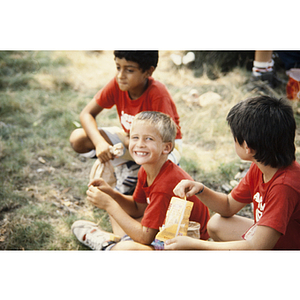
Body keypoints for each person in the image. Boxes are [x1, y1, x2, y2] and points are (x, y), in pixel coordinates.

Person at [165, 95, 300, 250]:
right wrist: (200, 189)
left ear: (248, 147)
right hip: (273, 238)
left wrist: (198, 246)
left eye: (235, 138)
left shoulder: (284, 186)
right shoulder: (262, 165)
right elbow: (228, 206)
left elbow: (257, 247)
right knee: (217, 224)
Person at [71, 111, 210, 250]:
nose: (140, 144)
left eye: (148, 139)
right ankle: (121, 241)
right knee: (118, 208)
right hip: (165, 231)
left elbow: (145, 237)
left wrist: (108, 204)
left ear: (166, 147)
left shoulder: (166, 185)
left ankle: (108, 245)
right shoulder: (146, 169)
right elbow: (138, 208)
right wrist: (111, 194)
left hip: (186, 246)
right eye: (135, 137)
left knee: (125, 249)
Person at [69, 51, 182, 195]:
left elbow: (164, 136)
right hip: (131, 139)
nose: (121, 75)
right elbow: (86, 114)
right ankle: (131, 167)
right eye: (118, 67)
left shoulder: (157, 93)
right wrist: (99, 143)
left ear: (148, 71)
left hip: (163, 145)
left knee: (152, 188)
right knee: (78, 138)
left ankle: (140, 174)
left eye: (129, 70)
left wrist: (133, 142)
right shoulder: (117, 84)